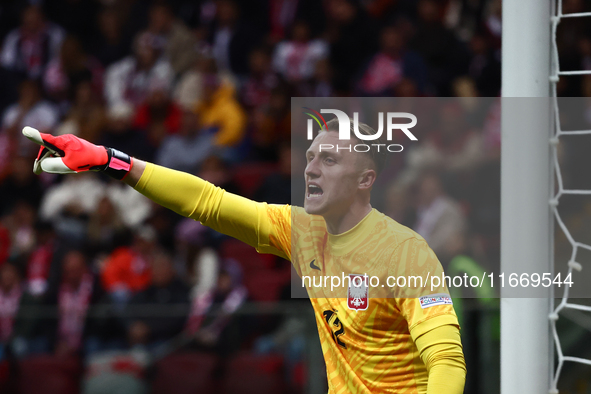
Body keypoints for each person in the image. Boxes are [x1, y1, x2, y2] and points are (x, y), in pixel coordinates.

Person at [21, 119, 466, 393]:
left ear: (365, 179)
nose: (311, 168)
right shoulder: (302, 230)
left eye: (329, 159)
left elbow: (446, 362)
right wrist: (110, 161)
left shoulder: (406, 253)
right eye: (310, 158)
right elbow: (206, 202)